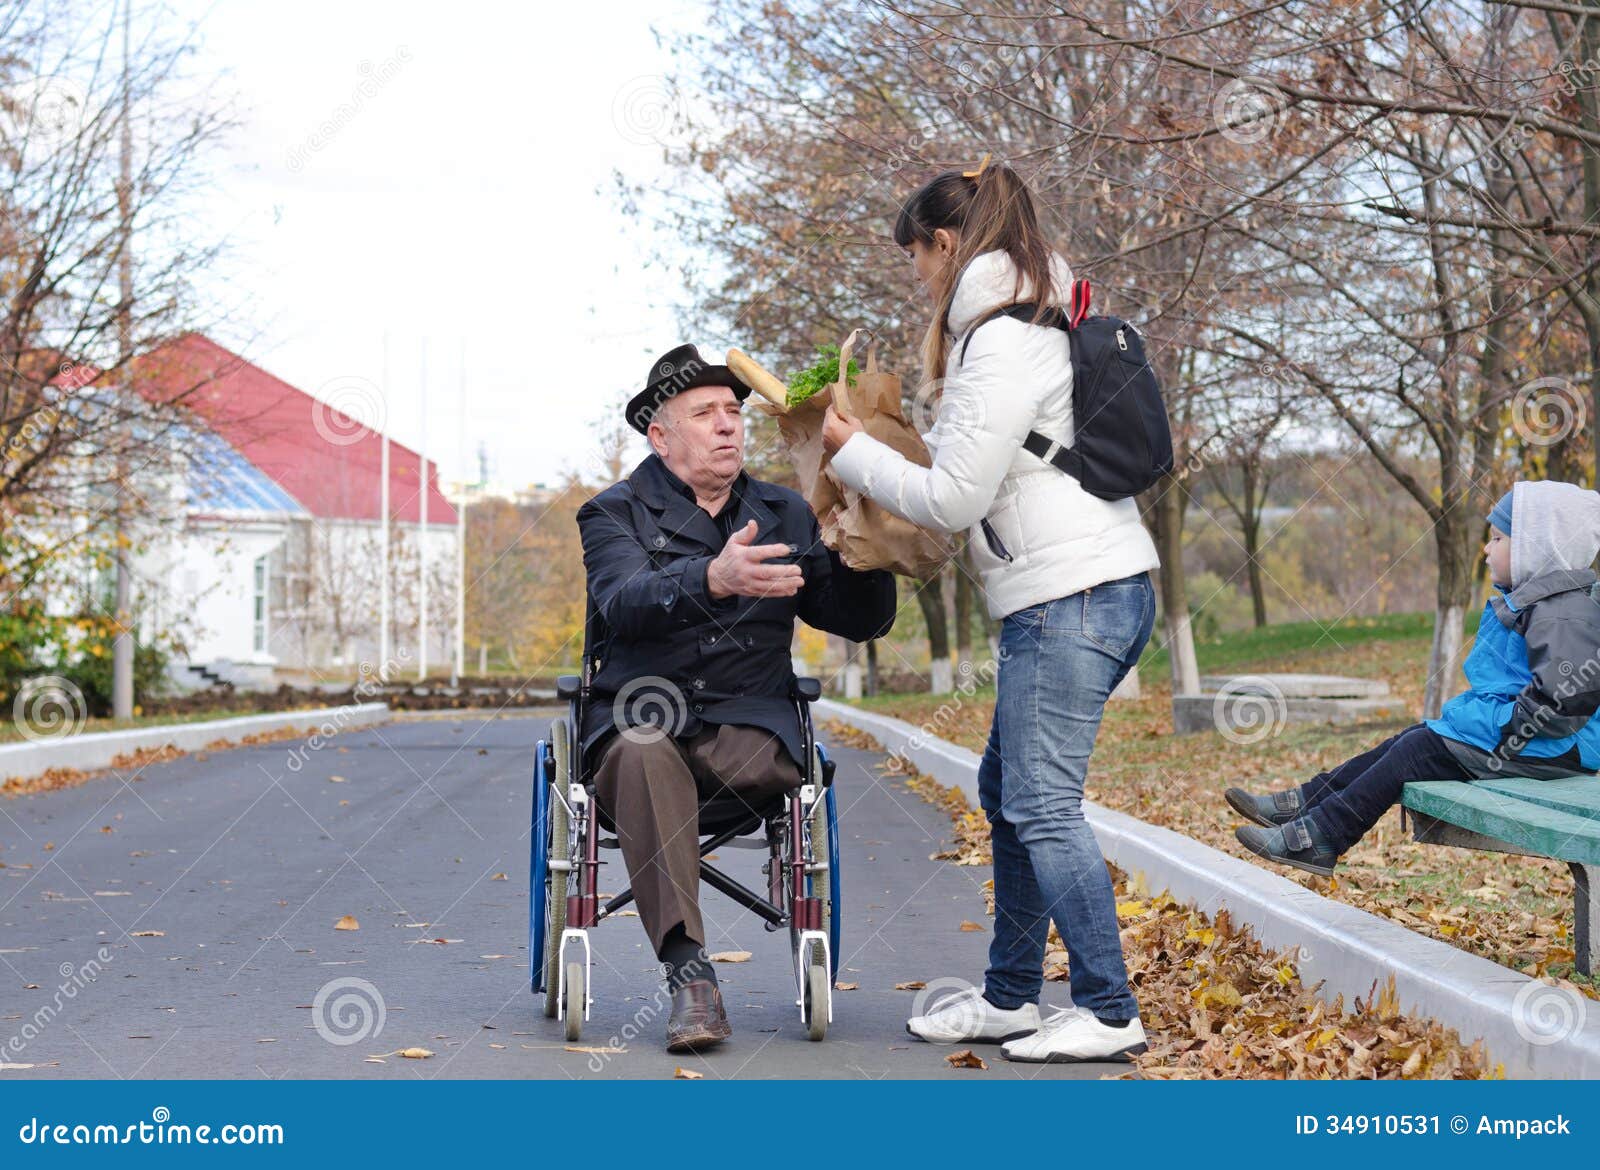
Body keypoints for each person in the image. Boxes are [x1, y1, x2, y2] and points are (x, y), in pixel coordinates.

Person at [820, 159, 1161, 1063]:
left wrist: (851, 454)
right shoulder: (1022, 316)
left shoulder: (1001, 337)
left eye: (917, 260)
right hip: (1073, 588)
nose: (918, 279)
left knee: (1042, 805)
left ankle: (1111, 1008)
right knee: (1007, 796)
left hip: (1073, 594)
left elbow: (954, 498)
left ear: (945, 243)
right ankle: (1013, 996)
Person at [576, 343, 897, 1053]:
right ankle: (690, 976)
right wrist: (713, 578)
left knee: (717, 755)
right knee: (641, 751)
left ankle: (695, 974)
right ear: (660, 436)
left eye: (733, 411)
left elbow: (859, 620)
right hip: (642, 721)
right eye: (704, 413)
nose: (727, 425)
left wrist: (866, 541)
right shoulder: (612, 513)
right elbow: (623, 602)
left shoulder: (785, 510)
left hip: (747, 731)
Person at [1228, 480, 1600, 877]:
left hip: (1557, 747)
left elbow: (1564, 700)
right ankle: (1304, 803)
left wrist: (1492, 724)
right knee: (1410, 738)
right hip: (1536, 740)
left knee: (1417, 749)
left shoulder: (1562, 610)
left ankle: (1320, 838)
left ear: (1535, 546)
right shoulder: (1543, 600)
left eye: (1497, 538)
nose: (1487, 550)